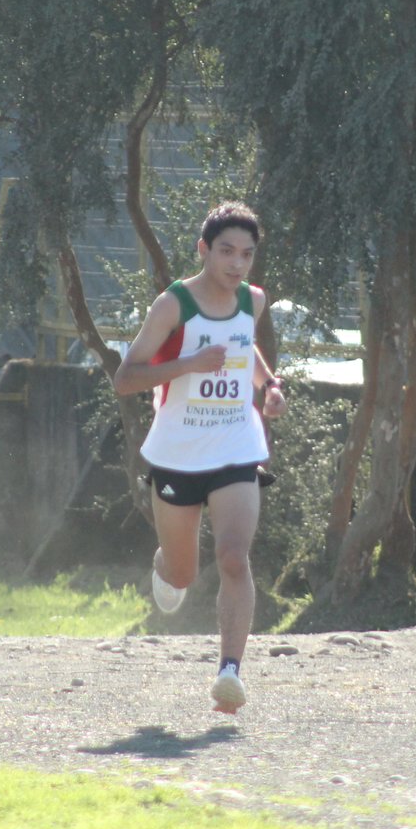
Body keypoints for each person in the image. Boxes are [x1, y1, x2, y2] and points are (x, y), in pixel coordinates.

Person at [113, 202, 287, 713]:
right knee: (185, 574)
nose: (237, 264)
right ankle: (166, 564)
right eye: (227, 252)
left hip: (236, 445)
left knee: (234, 557)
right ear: (204, 250)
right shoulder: (173, 306)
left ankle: (230, 673)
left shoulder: (252, 302)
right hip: (177, 453)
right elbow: (126, 378)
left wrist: (269, 385)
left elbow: (244, 346)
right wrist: (189, 363)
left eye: (247, 255)